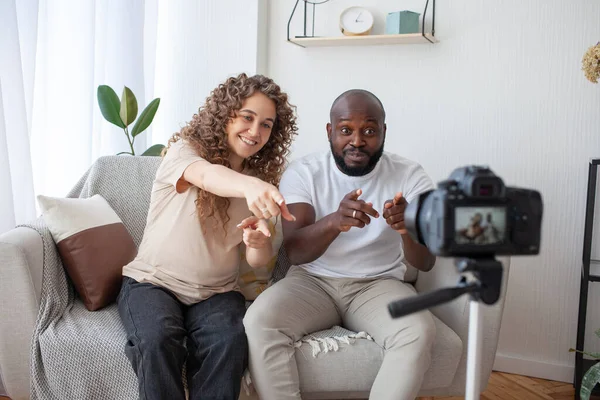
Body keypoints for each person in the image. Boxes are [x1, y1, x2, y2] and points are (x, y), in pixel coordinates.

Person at [244, 89, 437, 400]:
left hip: (379, 285)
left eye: (369, 131)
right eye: (346, 130)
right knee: (259, 320)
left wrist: (406, 228)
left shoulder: (410, 175)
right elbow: (294, 251)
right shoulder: (304, 172)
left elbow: (426, 262)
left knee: (417, 331)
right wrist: (335, 222)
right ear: (330, 131)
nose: (357, 141)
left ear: (383, 132)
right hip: (312, 282)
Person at [117, 73, 298, 400]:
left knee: (228, 342)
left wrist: (258, 243)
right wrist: (250, 186)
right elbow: (206, 175)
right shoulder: (185, 152)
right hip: (152, 283)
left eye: (267, 124)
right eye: (247, 117)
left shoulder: (260, 183)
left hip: (217, 292)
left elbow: (258, 260)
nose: (255, 131)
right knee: (156, 339)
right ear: (225, 112)